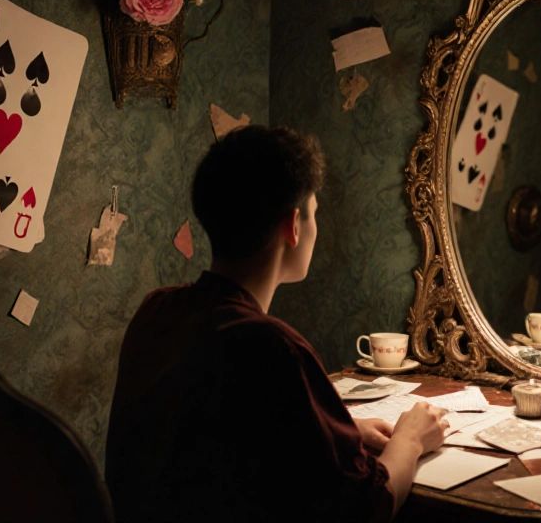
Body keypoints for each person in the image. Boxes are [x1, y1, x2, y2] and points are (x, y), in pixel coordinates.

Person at [106, 125, 448, 522]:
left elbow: (218, 429)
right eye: (314, 214)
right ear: (294, 225)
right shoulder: (273, 346)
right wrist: (409, 439)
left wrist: (338, 427)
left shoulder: (157, 310)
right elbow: (368, 506)